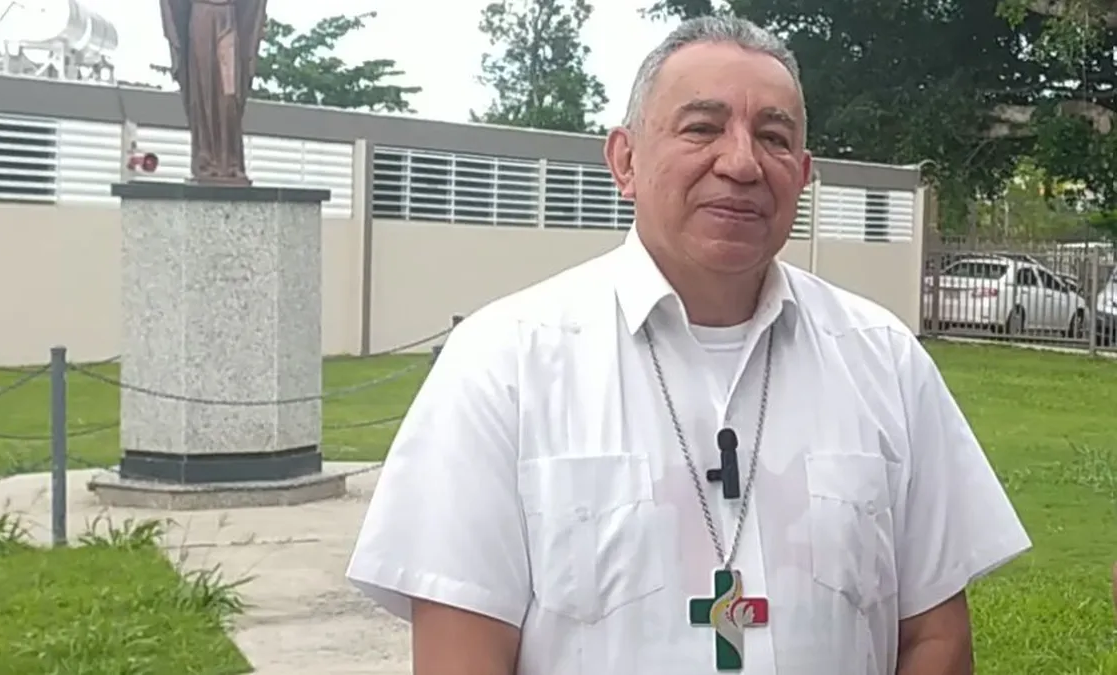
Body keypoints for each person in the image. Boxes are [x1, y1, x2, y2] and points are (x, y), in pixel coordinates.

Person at [346, 14, 1031, 675]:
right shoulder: (504, 364)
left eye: (773, 137)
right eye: (702, 128)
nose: (741, 163)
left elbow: (937, 636)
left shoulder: (884, 360)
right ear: (625, 160)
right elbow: (461, 654)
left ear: (802, 173)